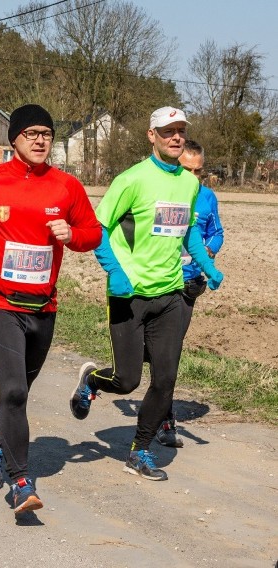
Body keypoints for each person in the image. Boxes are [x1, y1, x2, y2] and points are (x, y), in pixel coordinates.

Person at [0, 104, 101, 517]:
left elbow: (93, 233)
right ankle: (19, 481)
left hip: (42, 306)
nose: (39, 140)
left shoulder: (67, 186)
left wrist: (72, 235)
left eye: (46, 134)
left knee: (19, 391)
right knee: (13, 390)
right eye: (31, 133)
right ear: (13, 138)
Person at [70, 107, 224, 482]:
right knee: (127, 381)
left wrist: (206, 263)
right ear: (150, 135)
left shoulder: (189, 185)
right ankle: (92, 382)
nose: (176, 137)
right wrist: (116, 273)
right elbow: (97, 228)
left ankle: (139, 451)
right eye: (168, 131)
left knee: (166, 379)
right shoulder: (132, 179)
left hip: (171, 294)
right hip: (131, 295)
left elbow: (188, 232)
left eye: (181, 131)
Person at [156, 139, 224, 447]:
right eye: (187, 169)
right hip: (157, 282)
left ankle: (165, 419)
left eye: (199, 171)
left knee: (171, 353)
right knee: (145, 356)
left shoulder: (208, 198)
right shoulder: (164, 193)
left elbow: (217, 233)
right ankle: (103, 379)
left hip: (189, 284)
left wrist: (208, 253)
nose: (194, 177)